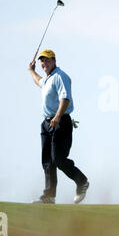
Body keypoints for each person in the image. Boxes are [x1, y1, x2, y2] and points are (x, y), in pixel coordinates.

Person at [28, 49, 89, 204]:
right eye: (42, 61)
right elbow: (39, 81)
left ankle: (82, 181)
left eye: (47, 60)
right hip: (47, 123)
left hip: (60, 122)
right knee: (47, 161)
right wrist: (31, 71)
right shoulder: (48, 79)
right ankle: (49, 195)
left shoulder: (60, 76)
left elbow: (65, 98)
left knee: (59, 159)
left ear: (54, 61)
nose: (44, 63)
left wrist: (57, 116)